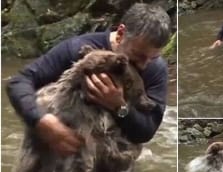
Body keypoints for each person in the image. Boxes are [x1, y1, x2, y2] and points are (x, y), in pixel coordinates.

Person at [6, 3, 171, 157]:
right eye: (138, 56)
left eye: (153, 58)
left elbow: (146, 132)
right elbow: (19, 82)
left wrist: (118, 107)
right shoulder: (76, 49)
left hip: (113, 153)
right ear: (121, 33)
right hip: (63, 140)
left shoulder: (156, 69)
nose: (144, 65)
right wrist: (40, 121)